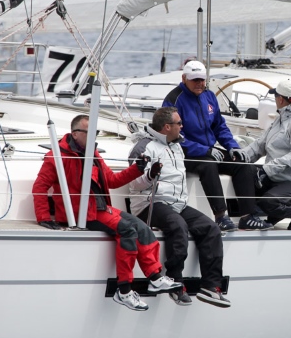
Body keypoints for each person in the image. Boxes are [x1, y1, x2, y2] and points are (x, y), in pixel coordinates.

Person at [32, 114, 182, 311]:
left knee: (142, 228)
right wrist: (44, 218)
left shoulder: (92, 153)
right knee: (128, 230)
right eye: (90, 132)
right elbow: (40, 186)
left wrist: (138, 169)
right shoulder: (57, 156)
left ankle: (155, 277)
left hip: (100, 208)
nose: (95, 136)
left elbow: (112, 180)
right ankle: (125, 290)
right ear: (76, 134)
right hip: (82, 213)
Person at [128, 107, 231, 307]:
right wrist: (149, 176)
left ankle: (211, 286)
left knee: (210, 228)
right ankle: (175, 283)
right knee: (178, 225)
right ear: (167, 127)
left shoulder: (176, 145)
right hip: (149, 204)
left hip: (177, 203)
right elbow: (133, 183)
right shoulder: (144, 147)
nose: (182, 127)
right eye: (179, 124)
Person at [163, 60, 272, 231]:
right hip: (185, 153)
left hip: (209, 150)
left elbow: (219, 126)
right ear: (184, 78)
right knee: (208, 164)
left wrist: (232, 146)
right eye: (195, 80)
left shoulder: (209, 96)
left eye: (202, 79)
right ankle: (221, 216)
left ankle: (247, 216)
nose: (199, 83)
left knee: (241, 162)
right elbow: (175, 136)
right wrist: (205, 150)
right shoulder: (173, 99)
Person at [233, 79, 291, 230]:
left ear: (280, 99)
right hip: (278, 177)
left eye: (275, 96)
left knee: (267, 202)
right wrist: (241, 156)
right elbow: (261, 144)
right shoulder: (282, 117)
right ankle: (251, 218)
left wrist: (266, 170)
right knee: (244, 172)